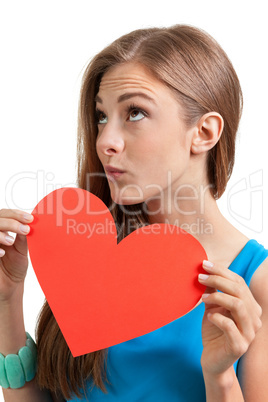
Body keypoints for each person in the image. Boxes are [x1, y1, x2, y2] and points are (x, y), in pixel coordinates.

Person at [0, 24, 267, 402]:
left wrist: (221, 377)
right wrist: (7, 300)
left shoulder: (256, 286)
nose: (105, 141)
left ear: (204, 132)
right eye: (102, 116)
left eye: (136, 113)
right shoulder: (87, 254)